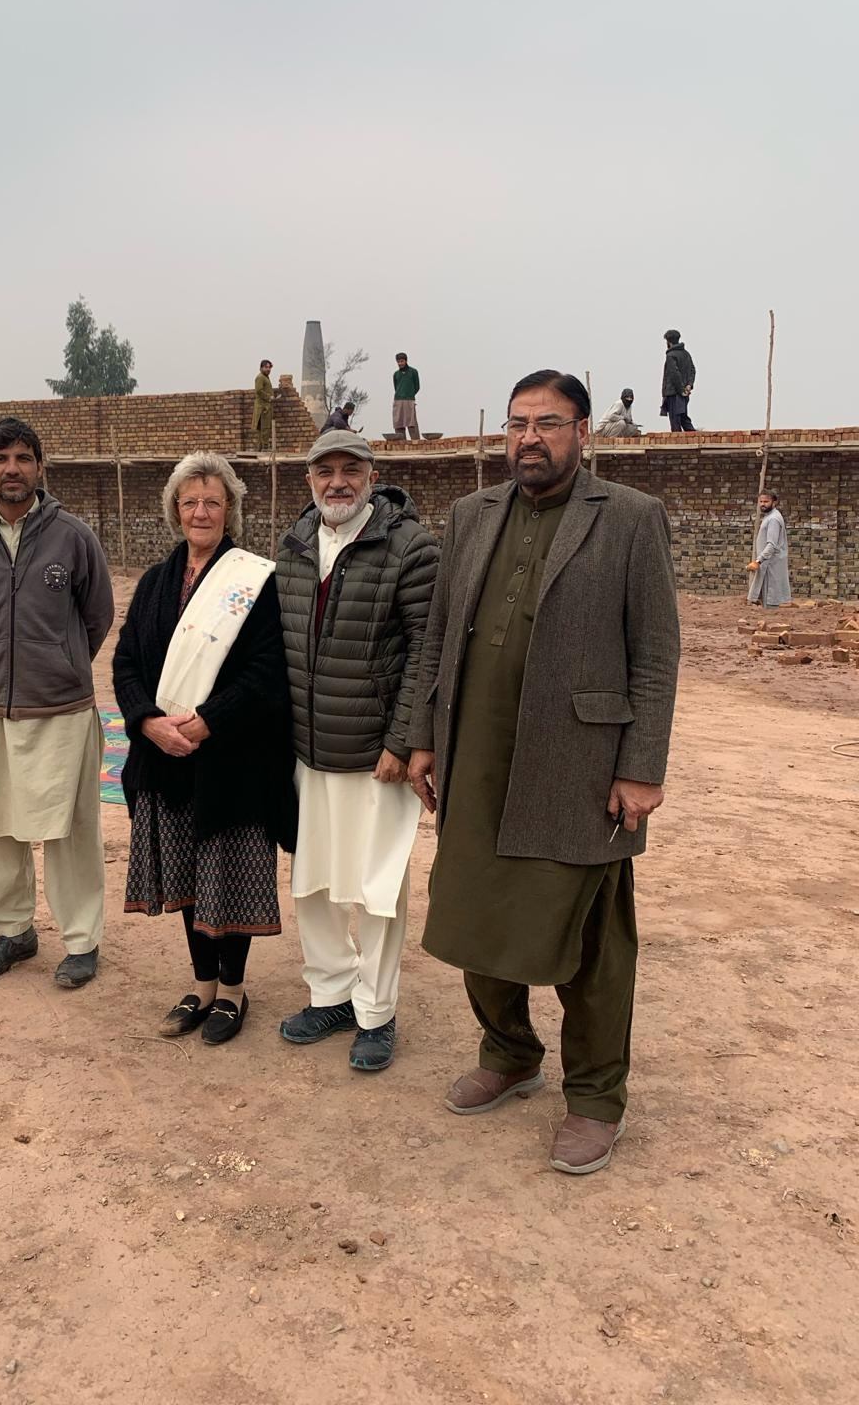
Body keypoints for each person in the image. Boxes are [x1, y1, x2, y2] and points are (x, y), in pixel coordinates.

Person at [407, 370, 679, 1175]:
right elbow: (436, 634)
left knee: (591, 943)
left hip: (580, 765)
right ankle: (511, 1053)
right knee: (474, 918)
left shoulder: (630, 518)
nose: (529, 437)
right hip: (476, 758)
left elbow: (657, 652)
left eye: (549, 423)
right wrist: (421, 735)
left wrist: (641, 768)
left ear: (583, 431)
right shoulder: (468, 515)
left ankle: (596, 1099)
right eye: (519, 423)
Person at [114, 452, 296, 1043]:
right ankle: (201, 986)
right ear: (175, 509)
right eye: (190, 501)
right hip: (165, 759)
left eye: (212, 502)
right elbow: (125, 662)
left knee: (228, 875)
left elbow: (267, 670)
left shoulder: (250, 582)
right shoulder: (154, 583)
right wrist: (147, 722)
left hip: (231, 760)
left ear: (229, 511)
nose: (200, 511)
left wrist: (206, 722)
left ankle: (235, 992)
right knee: (190, 878)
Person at [275, 429, 438, 1072]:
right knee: (312, 881)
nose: (337, 482)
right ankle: (330, 992)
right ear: (309, 480)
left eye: (351, 470)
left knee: (377, 888)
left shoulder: (409, 547)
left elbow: (427, 653)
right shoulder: (292, 546)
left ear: (373, 476)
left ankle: (376, 1010)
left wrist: (403, 740)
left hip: (377, 754)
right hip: (305, 749)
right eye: (325, 472)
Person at [0, 416, 114, 989]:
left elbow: (97, 617)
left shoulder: (73, 535)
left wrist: (55, 661)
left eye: (22, 457)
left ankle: (81, 939)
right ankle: (12, 932)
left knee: (71, 828)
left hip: (62, 708)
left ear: (41, 466)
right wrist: (3, 660)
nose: (11, 469)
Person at [747, 490, 792, 607]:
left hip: (771, 564)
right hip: (767, 563)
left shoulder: (773, 519)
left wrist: (758, 561)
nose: (763, 504)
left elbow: (771, 545)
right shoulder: (769, 517)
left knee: (772, 599)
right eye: (761, 501)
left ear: (774, 502)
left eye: (766, 501)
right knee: (766, 598)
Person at [659, 331, 696, 431]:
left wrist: (681, 390)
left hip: (674, 393)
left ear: (668, 342)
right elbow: (692, 370)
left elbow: (674, 374)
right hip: (684, 393)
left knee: (675, 420)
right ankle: (694, 437)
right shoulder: (686, 354)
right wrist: (689, 385)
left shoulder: (671, 355)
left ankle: (680, 443)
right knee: (684, 418)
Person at [392, 353, 421, 440]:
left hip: (409, 399)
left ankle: (416, 442)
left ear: (406, 361)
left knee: (411, 423)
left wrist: (410, 394)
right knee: (398, 423)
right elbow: (396, 387)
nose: (400, 363)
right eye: (398, 362)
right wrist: (400, 395)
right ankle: (401, 443)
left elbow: (417, 386)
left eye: (402, 361)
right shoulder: (396, 374)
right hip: (398, 400)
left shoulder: (413, 372)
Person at [252, 360, 276, 444]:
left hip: (266, 407)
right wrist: (269, 397)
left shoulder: (265, 377)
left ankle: (263, 446)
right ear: (261, 368)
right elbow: (259, 391)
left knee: (265, 428)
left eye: (269, 367)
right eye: (266, 367)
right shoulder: (260, 377)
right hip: (263, 407)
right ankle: (264, 447)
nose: (268, 369)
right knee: (264, 428)